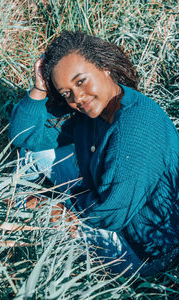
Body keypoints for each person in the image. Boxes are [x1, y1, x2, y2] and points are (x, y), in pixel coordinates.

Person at [10, 31, 179, 277]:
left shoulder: (134, 129)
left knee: (40, 215)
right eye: (66, 92)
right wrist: (39, 88)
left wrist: (54, 208)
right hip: (100, 197)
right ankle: (19, 201)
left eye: (81, 81)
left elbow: (111, 215)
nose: (77, 97)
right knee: (33, 154)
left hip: (141, 251)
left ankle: (17, 208)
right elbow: (24, 137)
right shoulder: (93, 112)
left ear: (105, 68)